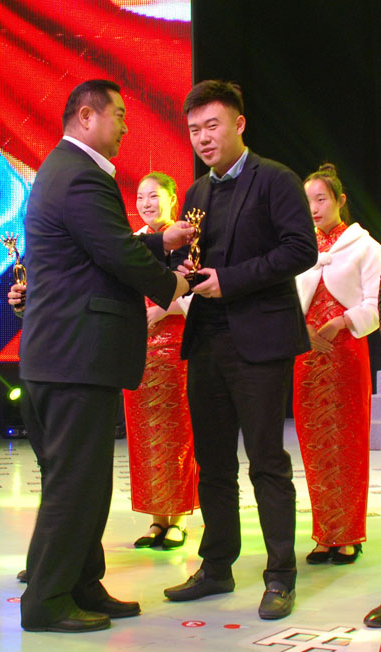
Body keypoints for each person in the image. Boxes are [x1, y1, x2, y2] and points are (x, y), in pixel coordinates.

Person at [16, 79, 191, 633]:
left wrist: (159, 243)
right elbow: (114, 252)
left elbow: (97, 247)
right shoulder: (81, 175)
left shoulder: (64, 170)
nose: (126, 126)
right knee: (75, 484)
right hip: (74, 356)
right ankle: (46, 601)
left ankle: (82, 583)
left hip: (63, 355)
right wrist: (172, 284)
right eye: (119, 115)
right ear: (87, 116)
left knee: (84, 482)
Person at [163, 79, 318, 620]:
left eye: (212, 126)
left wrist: (228, 281)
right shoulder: (196, 193)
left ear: (239, 124)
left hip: (260, 340)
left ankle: (280, 576)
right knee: (211, 462)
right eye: (194, 130)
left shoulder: (275, 179)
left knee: (267, 462)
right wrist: (182, 268)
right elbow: (189, 258)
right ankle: (216, 567)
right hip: (206, 338)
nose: (203, 139)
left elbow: (300, 250)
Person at [293, 164, 381, 566]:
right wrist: (301, 329)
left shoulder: (366, 247)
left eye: (321, 199)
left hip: (345, 354)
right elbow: (287, 300)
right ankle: (324, 534)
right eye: (308, 201)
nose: (314, 208)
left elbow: (373, 306)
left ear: (340, 200)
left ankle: (348, 535)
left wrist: (341, 322)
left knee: (347, 443)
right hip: (307, 356)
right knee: (314, 446)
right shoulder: (299, 249)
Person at [124, 172, 198, 550]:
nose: (146, 203)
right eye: (141, 197)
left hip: (176, 346)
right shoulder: (133, 243)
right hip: (139, 348)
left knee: (178, 432)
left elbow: (198, 288)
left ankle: (178, 517)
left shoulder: (187, 239)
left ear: (172, 198)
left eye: (154, 196)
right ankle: (156, 517)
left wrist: (165, 309)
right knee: (145, 436)